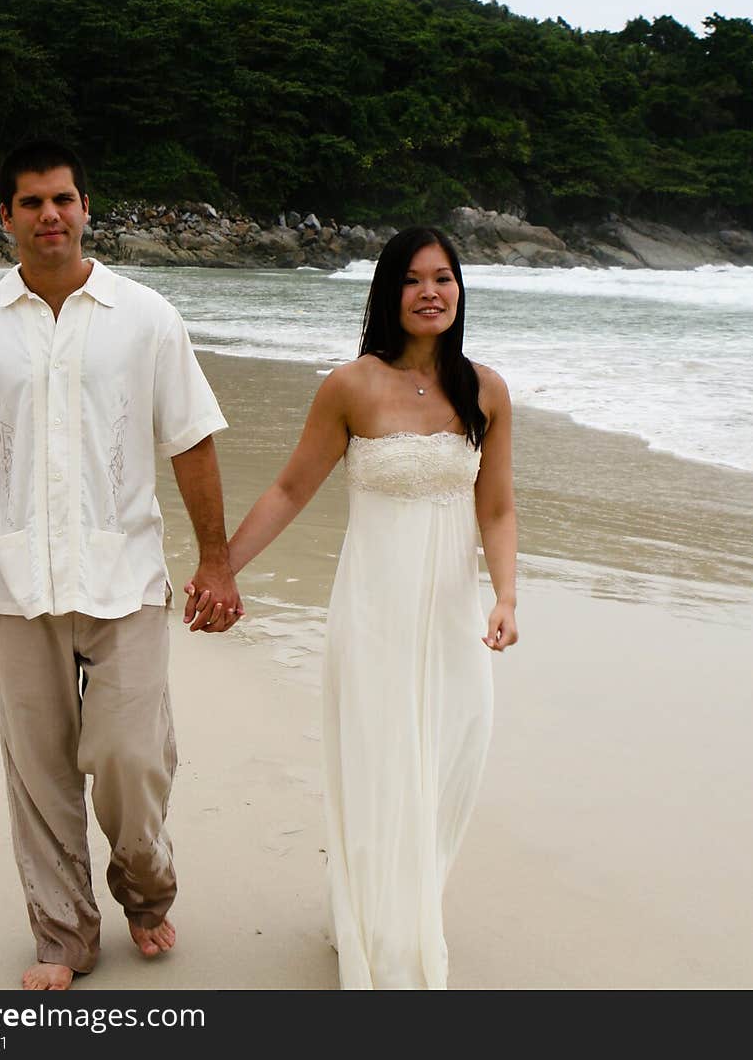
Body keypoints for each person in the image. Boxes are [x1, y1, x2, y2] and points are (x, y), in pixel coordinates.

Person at [0, 139, 242, 992]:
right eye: (31, 203)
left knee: (131, 753)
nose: (49, 215)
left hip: (125, 575)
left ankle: (145, 886)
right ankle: (65, 936)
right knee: (39, 770)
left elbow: (189, 438)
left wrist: (216, 560)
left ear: (87, 208)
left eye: (63, 200)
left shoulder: (147, 317)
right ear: (6, 218)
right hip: (18, 582)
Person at [193, 225, 518, 989]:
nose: (430, 292)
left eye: (443, 278)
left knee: (452, 757)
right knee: (381, 765)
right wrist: (220, 569)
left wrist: (506, 595)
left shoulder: (486, 389)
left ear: (460, 290)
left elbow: (497, 510)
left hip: (451, 616)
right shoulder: (350, 386)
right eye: (412, 280)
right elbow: (289, 489)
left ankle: (406, 903)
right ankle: (386, 929)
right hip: (373, 610)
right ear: (388, 292)